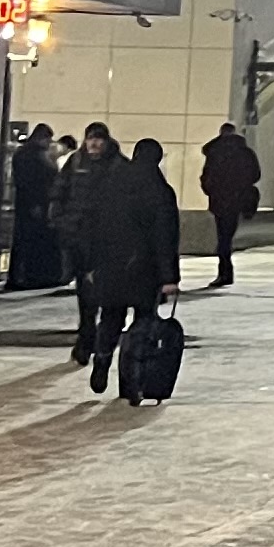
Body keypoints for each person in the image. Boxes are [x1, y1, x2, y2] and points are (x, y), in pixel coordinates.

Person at [82, 139, 184, 397]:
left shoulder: (111, 184)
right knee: (143, 323)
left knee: (110, 317)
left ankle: (101, 361)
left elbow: (95, 227)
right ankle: (131, 381)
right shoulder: (160, 190)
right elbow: (165, 237)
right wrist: (169, 277)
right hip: (146, 269)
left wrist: (91, 264)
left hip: (112, 264)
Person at [52, 124, 123, 362]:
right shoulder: (75, 162)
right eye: (90, 139)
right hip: (78, 236)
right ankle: (86, 338)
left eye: (98, 139)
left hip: (106, 239)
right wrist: (61, 221)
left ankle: (97, 340)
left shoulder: (117, 165)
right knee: (84, 291)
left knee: (105, 292)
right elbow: (59, 192)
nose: (94, 143)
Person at [200, 121, 262, 287]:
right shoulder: (245, 153)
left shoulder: (215, 152)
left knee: (223, 237)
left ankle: (225, 272)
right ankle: (226, 272)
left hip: (220, 200)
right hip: (237, 199)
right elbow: (255, 175)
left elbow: (207, 176)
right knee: (227, 237)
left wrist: (212, 191)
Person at [4, 122, 64, 289]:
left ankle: (27, 276)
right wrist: (36, 203)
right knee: (31, 240)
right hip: (35, 203)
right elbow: (31, 182)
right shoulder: (32, 155)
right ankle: (30, 276)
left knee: (28, 240)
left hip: (32, 203)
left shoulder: (28, 153)